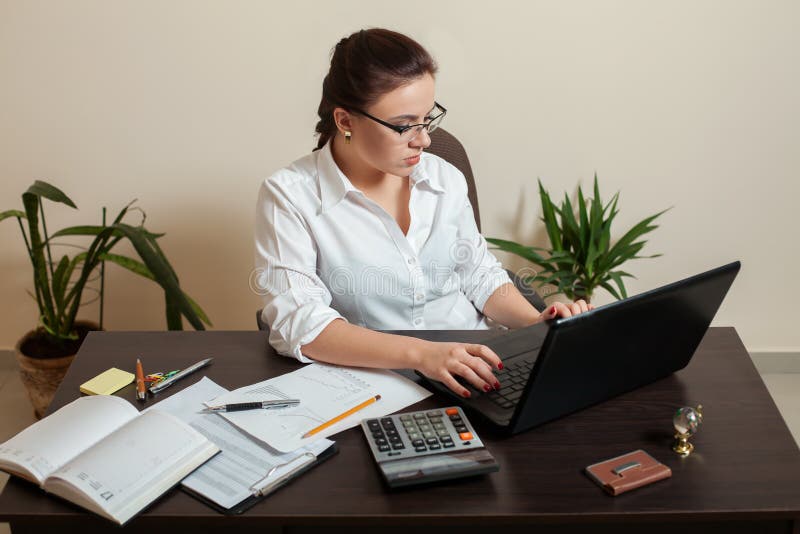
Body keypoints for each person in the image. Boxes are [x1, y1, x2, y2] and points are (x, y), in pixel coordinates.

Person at [254, 28, 591, 398]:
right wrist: (423, 355)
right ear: (346, 121)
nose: (424, 140)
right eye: (403, 126)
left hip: (480, 364)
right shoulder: (290, 195)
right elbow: (299, 323)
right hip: (380, 381)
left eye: (427, 118)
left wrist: (537, 324)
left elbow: (477, 273)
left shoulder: (443, 177)